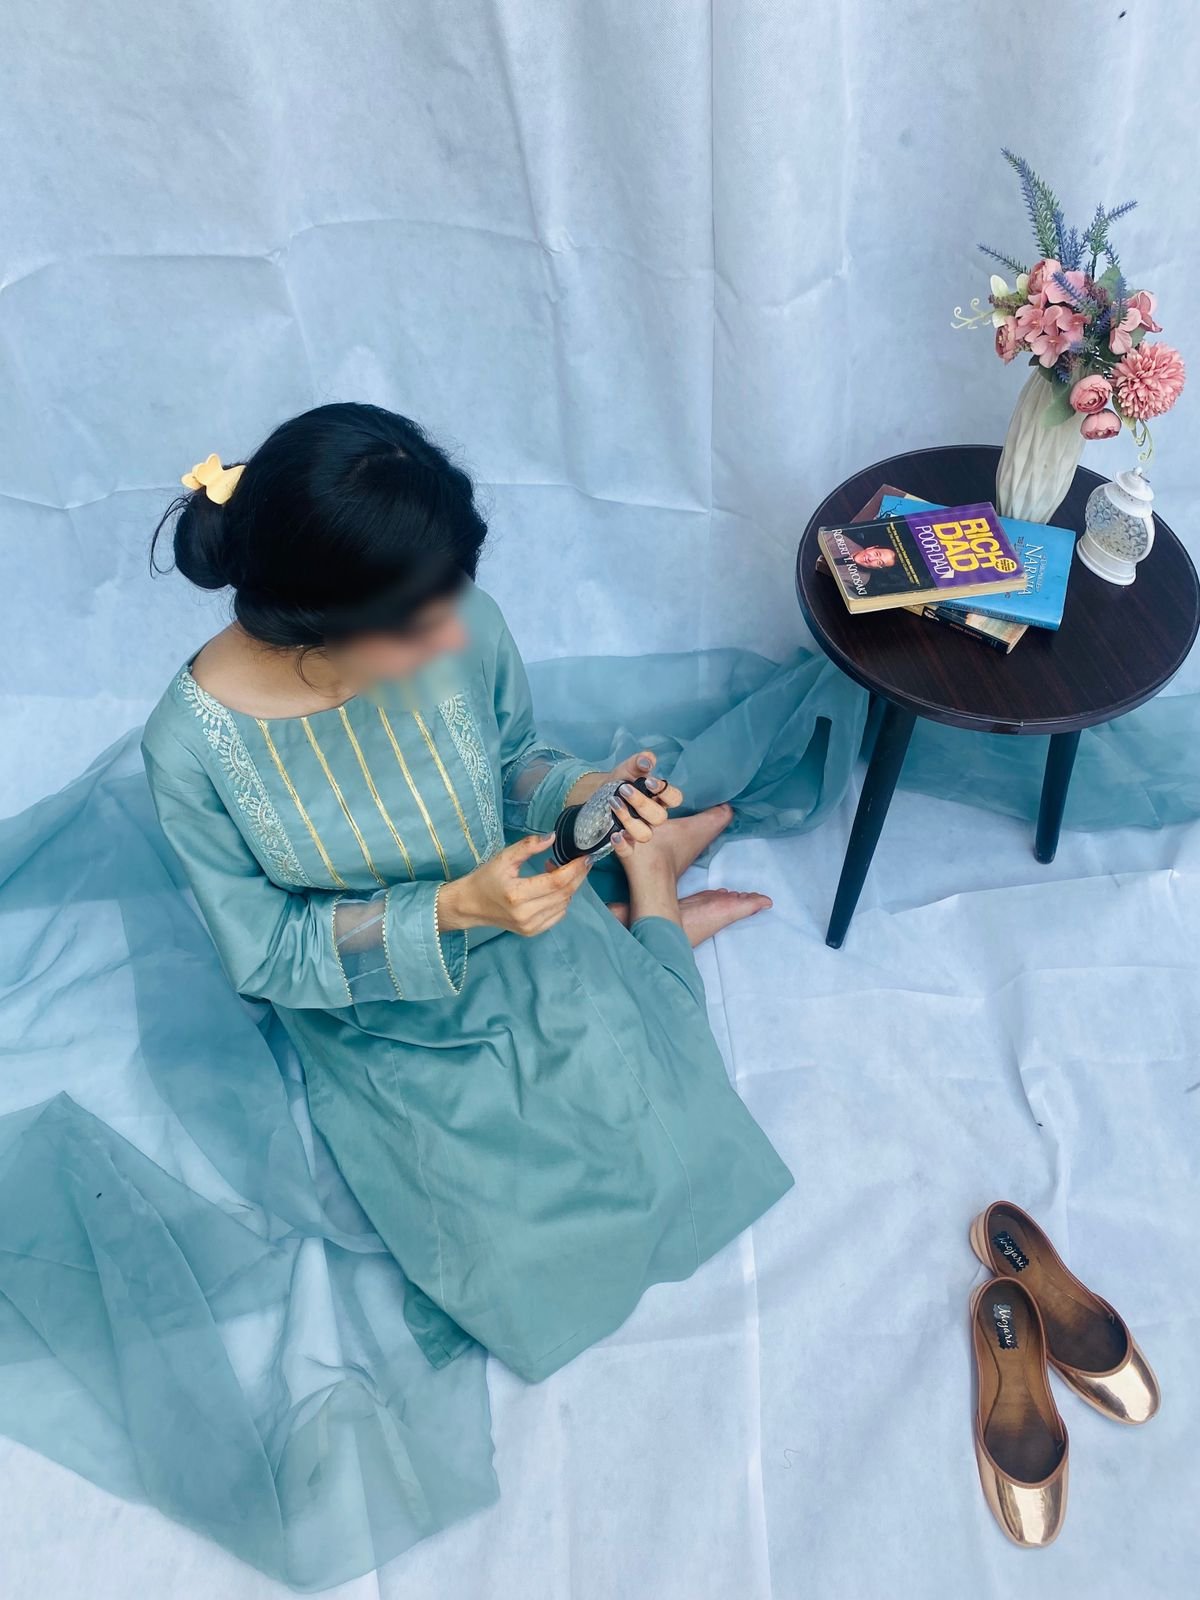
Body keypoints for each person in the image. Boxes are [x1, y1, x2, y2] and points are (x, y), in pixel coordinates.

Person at [142, 402, 793, 1383]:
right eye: (419, 627)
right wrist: (452, 911)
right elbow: (269, 953)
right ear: (320, 622)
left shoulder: (454, 612)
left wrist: (587, 793)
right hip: (379, 1010)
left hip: (528, 919)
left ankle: (642, 882)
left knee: (682, 1152)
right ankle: (646, 899)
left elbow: (511, 759)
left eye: (454, 600)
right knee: (515, 1268)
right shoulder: (192, 749)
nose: (455, 634)